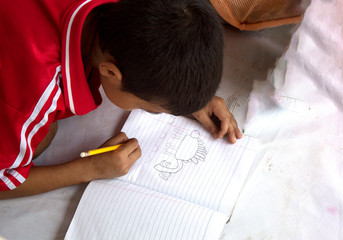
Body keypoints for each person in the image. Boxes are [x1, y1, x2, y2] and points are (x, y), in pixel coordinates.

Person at [0, 0, 242, 199]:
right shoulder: (33, 98)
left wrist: (187, 92)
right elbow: (4, 178)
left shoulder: (128, 13)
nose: (155, 111)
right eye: (152, 109)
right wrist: (88, 169)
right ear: (109, 72)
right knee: (44, 137)